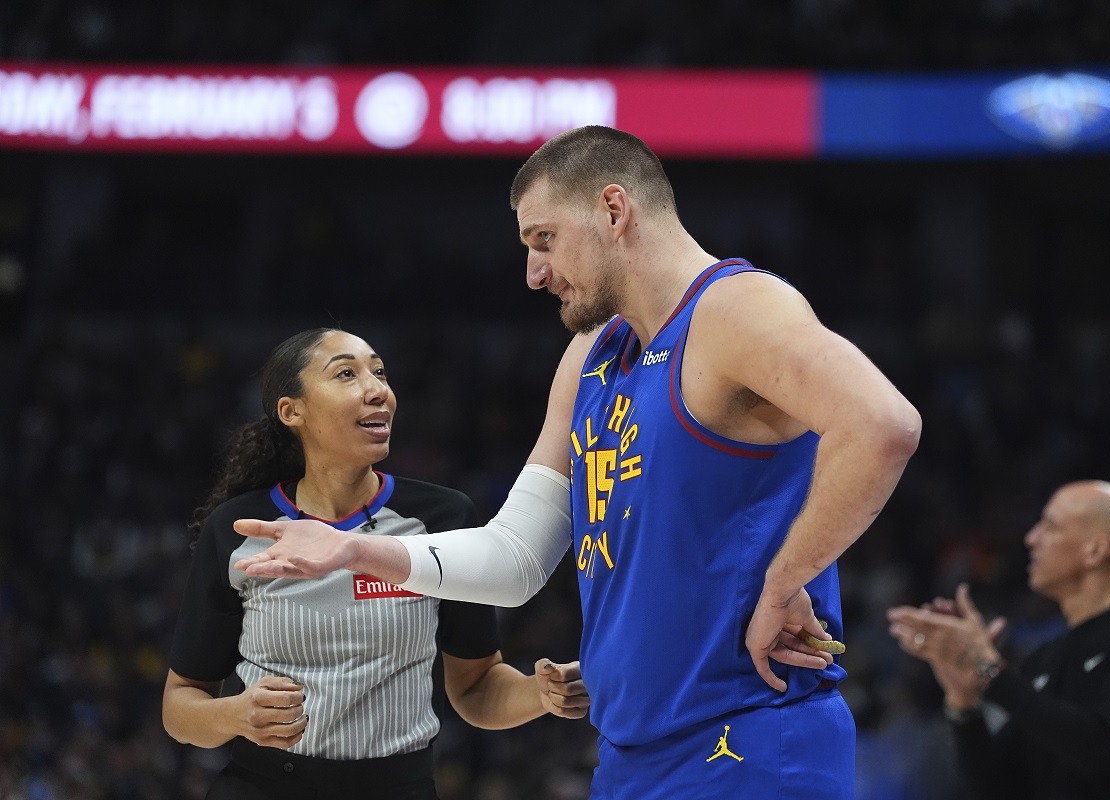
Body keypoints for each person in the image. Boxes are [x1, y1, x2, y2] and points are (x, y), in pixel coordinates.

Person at [232, 126, 922, 798]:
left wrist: (785, 579)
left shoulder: (735, 310)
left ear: (613, 210)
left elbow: (882, 424)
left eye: (544, 240)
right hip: (628, 754)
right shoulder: (592, 354)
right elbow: (516, 558)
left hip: (749, 738)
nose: (534, 274)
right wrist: (354, 550)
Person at [162, 328, 589, 800]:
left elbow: (477, 687)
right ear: (292, 411)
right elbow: (179, 706)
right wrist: (234, 715)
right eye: (346, 373)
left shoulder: (443, 518)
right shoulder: (238, 529)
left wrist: (540, 694)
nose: (377, 389)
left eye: (380, 372)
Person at [886, 480, 1110, 800]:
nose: (1031, 538)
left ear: (1096, 550)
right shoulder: (1045, 659)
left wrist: (990, 670)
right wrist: (964, 703)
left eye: (1050, 526)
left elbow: (1098, 746)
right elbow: (999, 789)